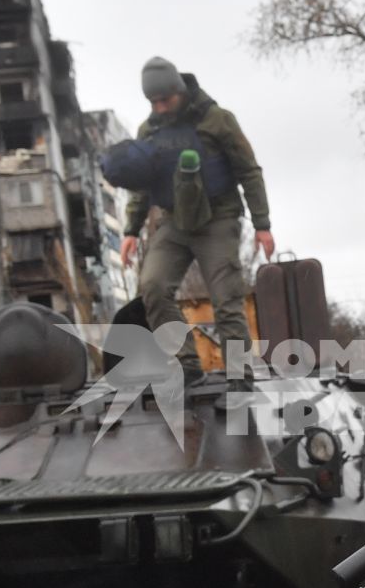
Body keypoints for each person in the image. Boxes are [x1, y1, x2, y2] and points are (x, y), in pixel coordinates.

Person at [103, 57, 273, 379]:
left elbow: (249, 171)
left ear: (179, 90)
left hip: (218, 218)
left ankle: (240, 372)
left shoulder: (217, 120)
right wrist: (129, 230)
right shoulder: (149, 131)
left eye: (165, 99)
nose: (161, 107)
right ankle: (187, 364)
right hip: (173, 222)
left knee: (226, 299)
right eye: (154, 102)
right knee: (152, 286)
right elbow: (143, 186)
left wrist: (262, 224)